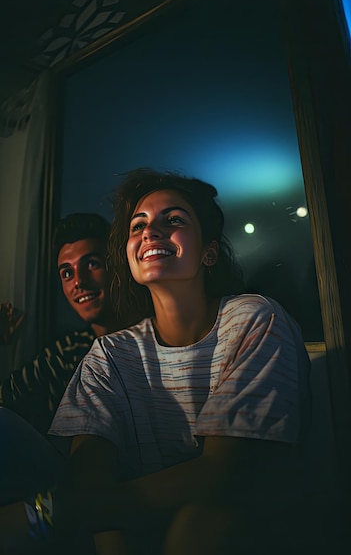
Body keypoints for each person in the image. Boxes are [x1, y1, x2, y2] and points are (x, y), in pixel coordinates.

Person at [0, 169, 312, 555]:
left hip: (241, 530)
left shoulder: (253, 319)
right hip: (129, 530)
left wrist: (42, 516)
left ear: (208, 252)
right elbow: (90, 485)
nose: (150, 232)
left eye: (174, 220)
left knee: (200, 523)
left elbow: (221, 474)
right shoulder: (110, 353)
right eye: (138, 225)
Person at [0, 212, 117, 436]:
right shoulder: (68, 353)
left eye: (92, 264)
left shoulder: (154, 339)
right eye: (66, 273)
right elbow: (7, 398)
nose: (78, 282)